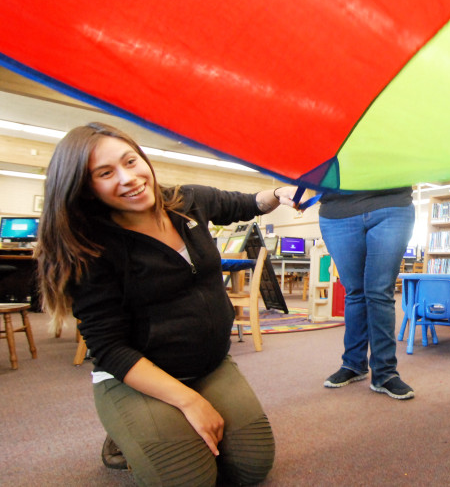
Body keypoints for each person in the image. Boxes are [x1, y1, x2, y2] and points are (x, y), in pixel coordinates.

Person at [36, 123, 295, 486]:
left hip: (210, 365)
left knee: (252, 467)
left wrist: (278, 193)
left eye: (130, 161)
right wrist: (190, 402)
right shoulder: (90, 247)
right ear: (86, 187)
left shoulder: (187, 202)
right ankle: (127, 430)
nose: (128, 178)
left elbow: (245, 203)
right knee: (191, 480)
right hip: (138, 377)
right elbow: (109, 348)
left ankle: (160, 427)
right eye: (106, 173)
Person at [317, 188, 416, 399]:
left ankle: (385, 373)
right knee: (354, 292)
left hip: (392, 202)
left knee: (380, 292)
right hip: (337, 211)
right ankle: (353, 364)